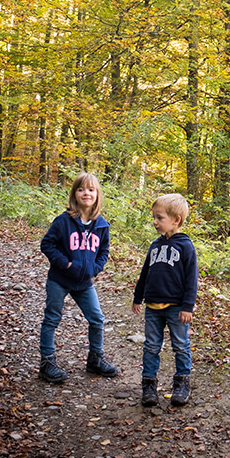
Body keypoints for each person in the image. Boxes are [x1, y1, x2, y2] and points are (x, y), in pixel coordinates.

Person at [38, 171, 118, 384]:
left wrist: (95, 268)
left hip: (84, 282)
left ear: (97, 195)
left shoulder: (101, 225)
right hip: (60, 279)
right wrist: (66, 263)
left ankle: (95, 359)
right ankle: (47, 363)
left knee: (97, 318)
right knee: (52, 317)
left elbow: (104, 251)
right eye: (81, 189)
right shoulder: (63, 221)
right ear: (74, 194)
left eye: (91, 190)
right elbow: (47, 244)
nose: (86, 193)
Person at [132, 193, 198, 407]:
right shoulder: (154, 246)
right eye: (154, 217)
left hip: (176, 307)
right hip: (153, 306)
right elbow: (145, 273)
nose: (155, 222)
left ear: (175, 220)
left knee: (180, 344)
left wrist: (188, 306)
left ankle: (182, 383)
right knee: (151, 345)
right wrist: (138, 296)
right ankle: (149, 384)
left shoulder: (186, 247)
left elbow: (191, 280)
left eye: (159, 218)